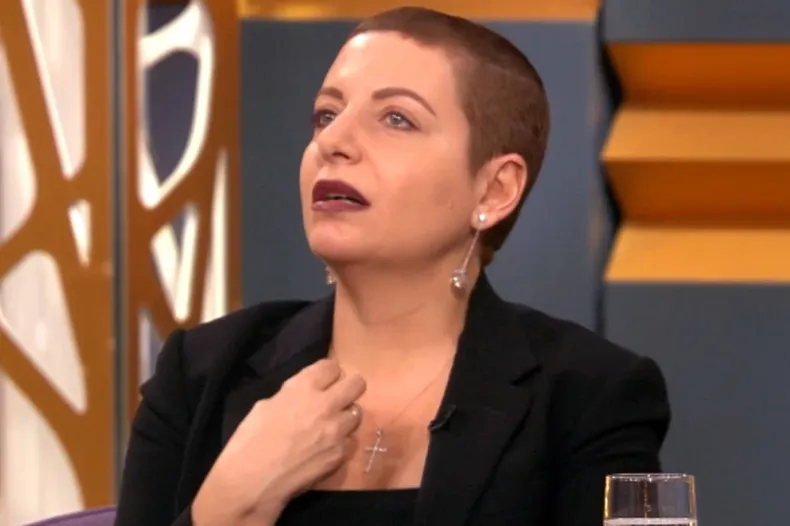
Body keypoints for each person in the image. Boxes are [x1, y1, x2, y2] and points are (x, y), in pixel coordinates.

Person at [115, 6, 670, 526]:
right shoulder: (199, 376)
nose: (334, 141)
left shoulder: (590, 396)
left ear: (494, 190)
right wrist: (231, 502)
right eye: (326, 114)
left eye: (397, 119)